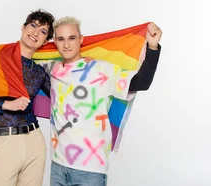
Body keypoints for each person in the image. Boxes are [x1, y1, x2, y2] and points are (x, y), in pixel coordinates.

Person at [44, 16, 162, 186]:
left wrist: (152, 47)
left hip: (90, 169)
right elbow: (26, 61)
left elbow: (141, 83)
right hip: (57, 166)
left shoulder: (100, 69)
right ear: (54, 41)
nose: (66, 44)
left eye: (72, 38)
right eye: (61, 39)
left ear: (81, 39)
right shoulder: (52, 69)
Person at [0, 9, 54, 186]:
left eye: (43, 31)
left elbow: (61, 97)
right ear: (23, 27)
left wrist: (83, 64)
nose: (36, 32)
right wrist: (7, 104)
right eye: (33, 25)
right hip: (4, 141)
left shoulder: (38, 72)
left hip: (34, 141)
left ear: (46, 41)